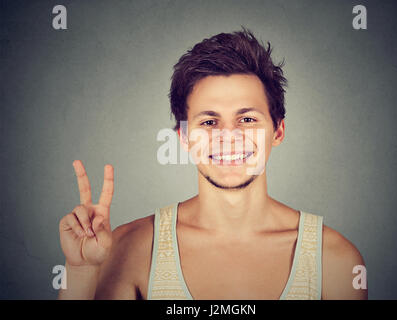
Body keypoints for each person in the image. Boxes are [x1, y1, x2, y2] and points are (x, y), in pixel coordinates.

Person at [58, 28, 368, 300]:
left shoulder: (335, 260)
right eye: (209, 121)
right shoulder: (129, 250)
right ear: (183, 136)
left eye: (246, 119)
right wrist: (81, 271)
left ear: (278, 130)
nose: (228, 137)